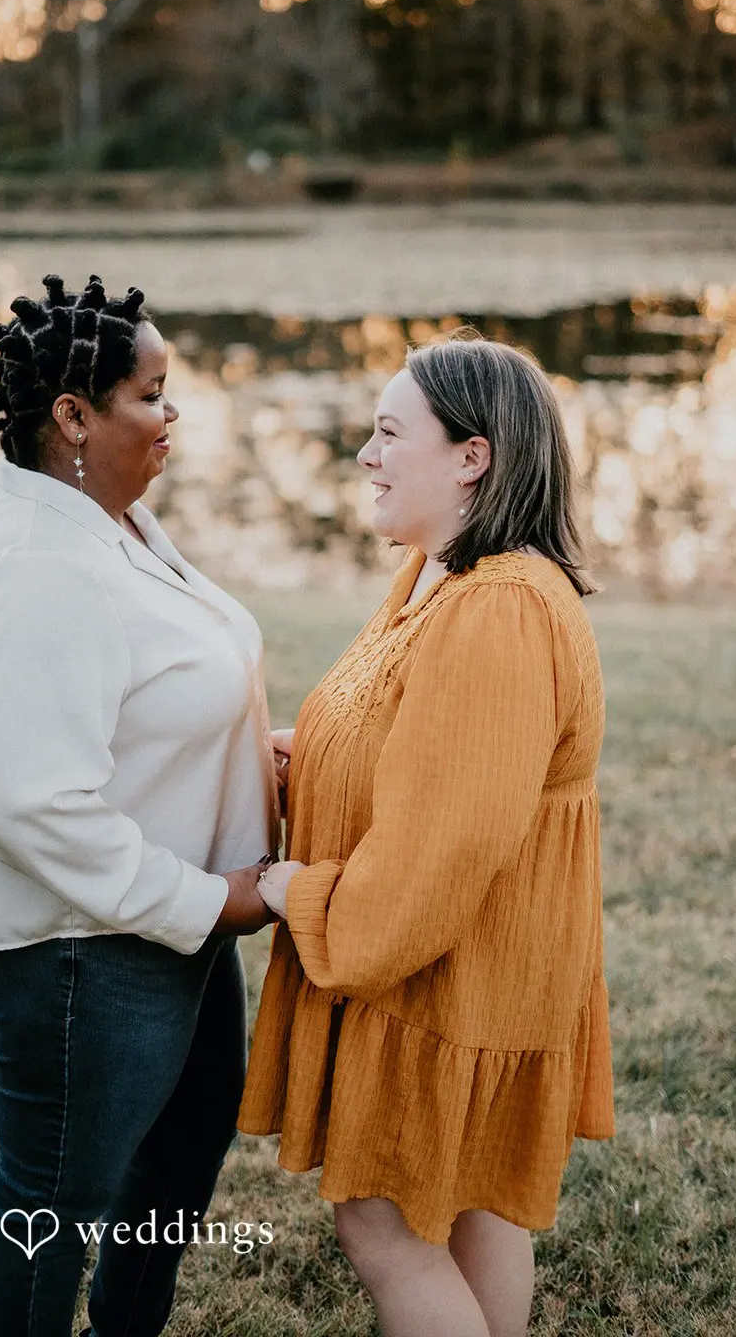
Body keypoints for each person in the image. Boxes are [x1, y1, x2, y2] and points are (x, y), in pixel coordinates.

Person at [0, 274, 277, 1337]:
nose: (173, 417)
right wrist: (216, 899)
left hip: (159, 922)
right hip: (77, 944)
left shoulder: (103, 519)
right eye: (152, 395)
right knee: (52, 1204)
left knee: (178, 1153)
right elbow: (30, 804)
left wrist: (255, 753)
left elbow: (149, 690)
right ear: (73, 414)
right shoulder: (41, 563)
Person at [239, 333, 615, 1337]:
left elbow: (437, 850)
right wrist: (296, 758)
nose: (365, 453)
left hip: (453, 976)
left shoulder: (496, 609)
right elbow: (408, 745)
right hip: (470, 968)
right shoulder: (437, 576)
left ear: (470, 456)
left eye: (388, 432)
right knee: (468, 1208)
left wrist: (289, 889)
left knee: (388, 1222)